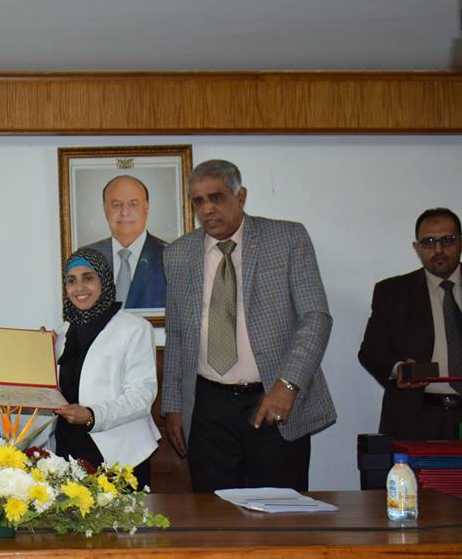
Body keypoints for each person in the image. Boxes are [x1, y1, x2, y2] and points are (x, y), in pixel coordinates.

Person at [161, 159, 335, 493]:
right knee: (213, 511)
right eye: (198, 201)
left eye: (216, 197)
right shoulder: (178, 254)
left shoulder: (286, 239)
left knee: (281, 510)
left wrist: (288, 385)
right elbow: (177, 335)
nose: (207, 209)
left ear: (240, 197)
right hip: (208, 405)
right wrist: (173, 406)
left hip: (272, 398)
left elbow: (316, 317)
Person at [51, 247, 161, 487]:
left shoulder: (134, 328)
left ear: (104, 281)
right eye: (71, 281)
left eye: (88, 278)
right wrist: (39, 351)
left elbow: (141, 396)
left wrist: (92, 415)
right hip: (68, 451)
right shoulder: (63, 332)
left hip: (120, 454)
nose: (79, 288)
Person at [358, 207, 462, 440]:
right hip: (417, 417)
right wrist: (399, 369)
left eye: (447, 240)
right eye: (429, 242)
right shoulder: (392, 293)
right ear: (417, 247)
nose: (438, 250)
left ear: (460, 242)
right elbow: (371, 351)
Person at [83, 175, 167, 309]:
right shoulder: (87, 257)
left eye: (133, 204)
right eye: (116, 204)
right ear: (105, 209)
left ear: (146, 207)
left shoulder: (169, 256)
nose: (125, 212)